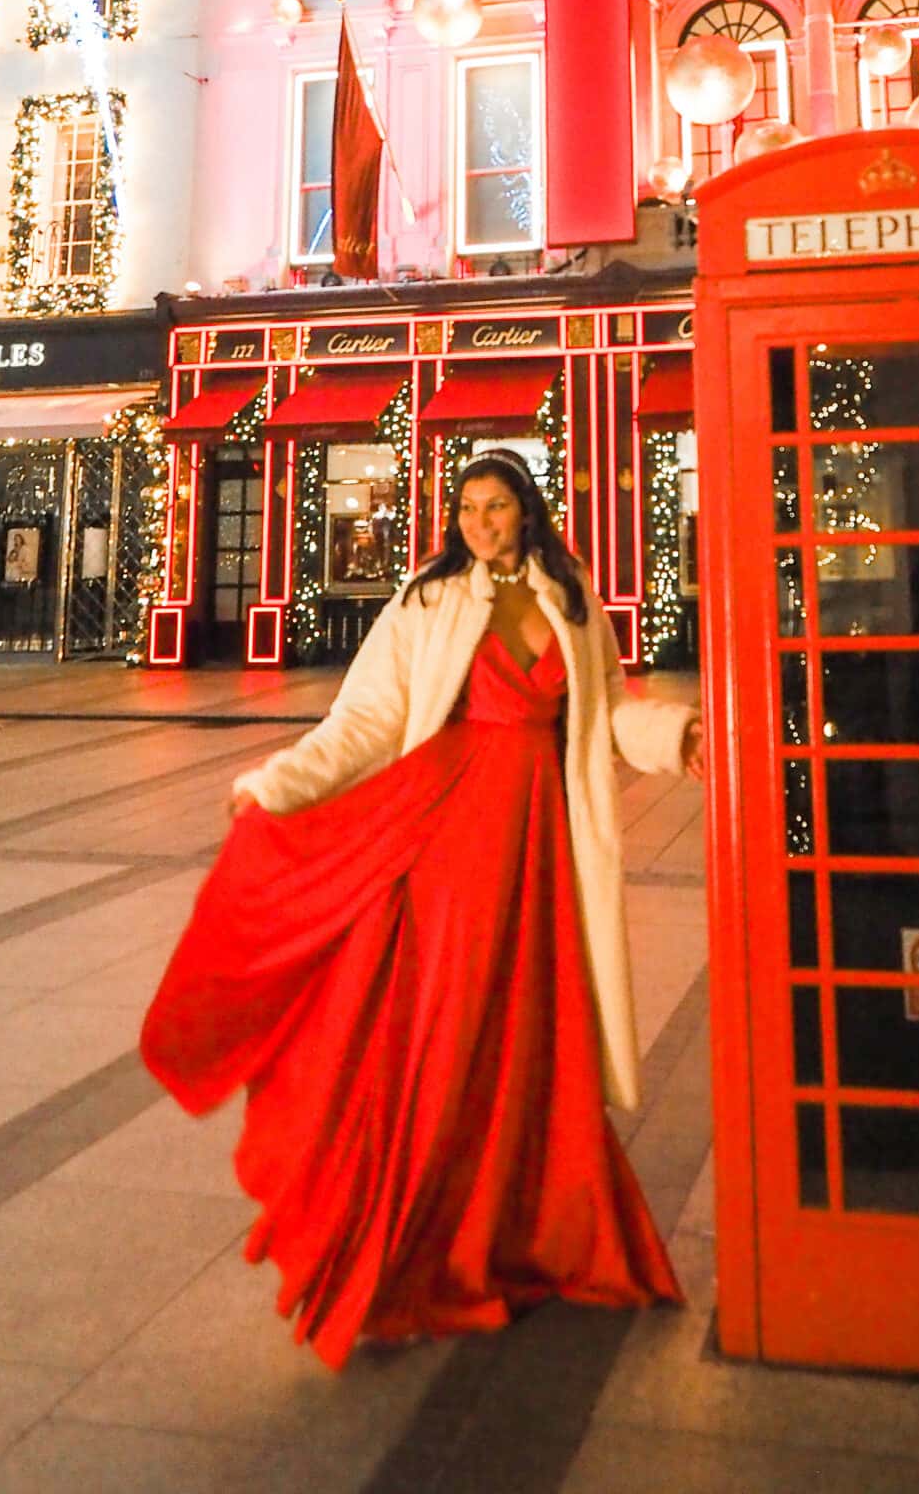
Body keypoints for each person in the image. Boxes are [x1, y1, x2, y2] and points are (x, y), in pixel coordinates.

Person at [141, 448, 703, 1369]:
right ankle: (421, 1231)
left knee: (527, 1029)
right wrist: (278, 783)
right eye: (469, 509)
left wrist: (676, 734)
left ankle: (529, 1223)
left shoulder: (572, 598)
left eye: (498, 506)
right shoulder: (426, 600)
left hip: (538, 843)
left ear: (528, 510)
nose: (482, 523)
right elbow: (365, 720)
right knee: (448, 1026)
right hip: (445, 831)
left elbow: (604, 715)